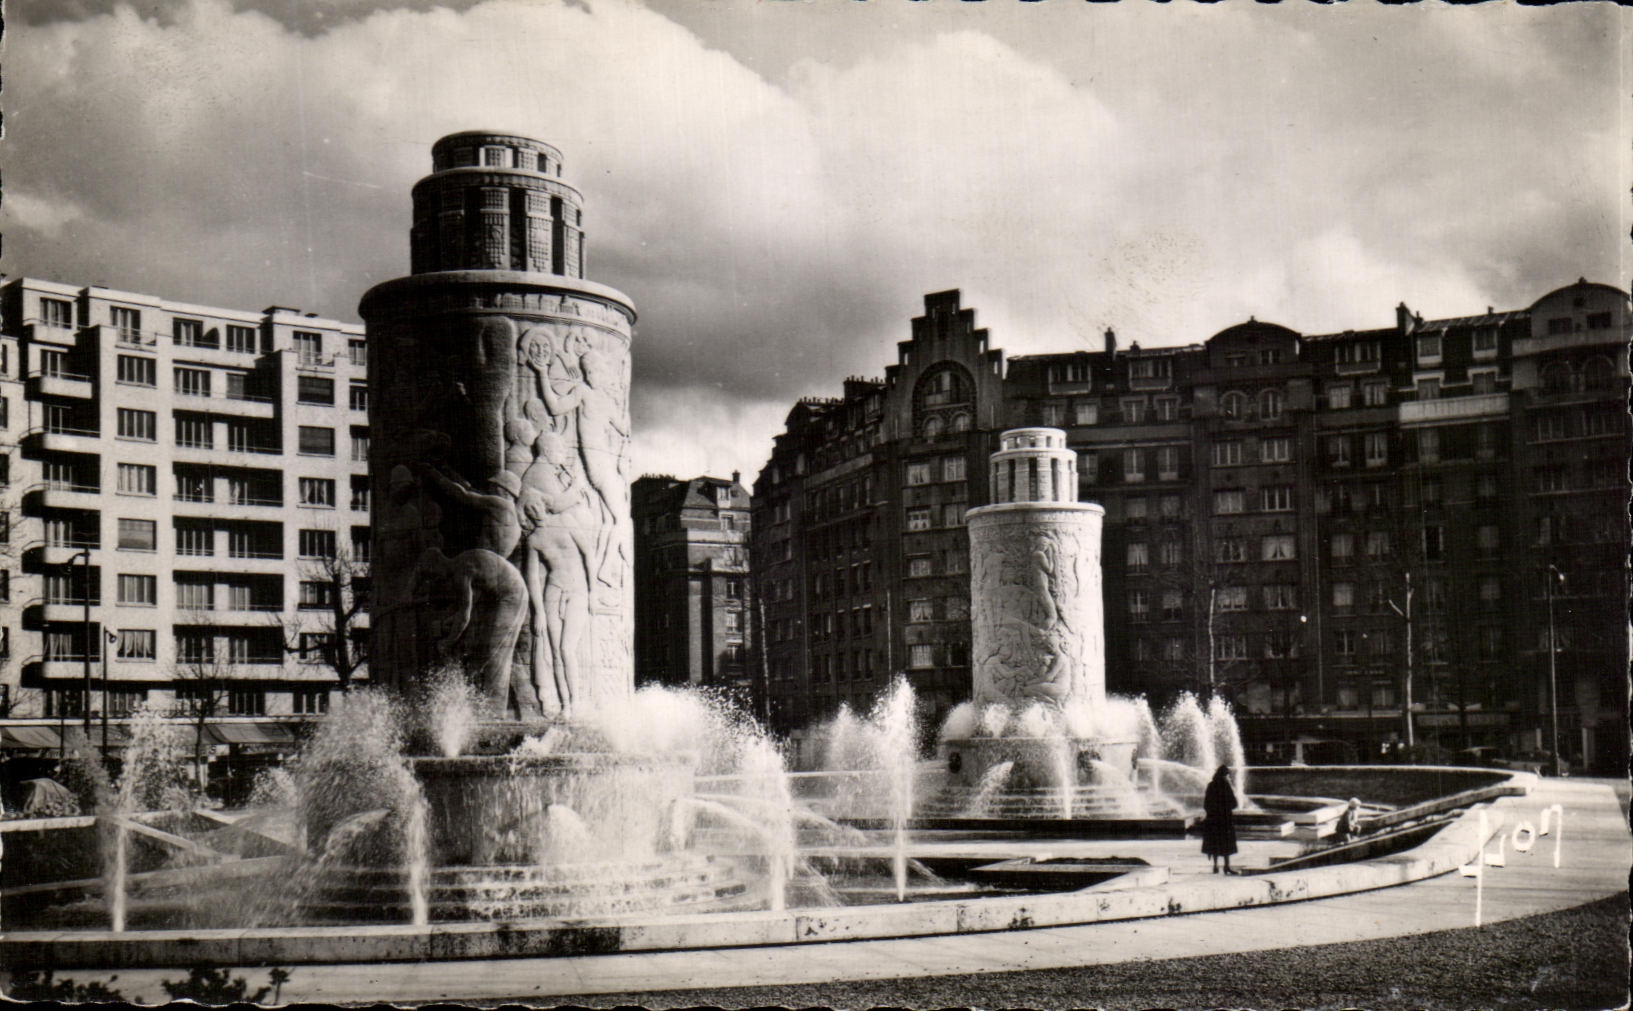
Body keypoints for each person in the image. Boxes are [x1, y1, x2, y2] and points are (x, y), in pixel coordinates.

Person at [1202, 764, 1239, 874]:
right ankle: (1226, 866)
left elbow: (1206, 804)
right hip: (1225, 819)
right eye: (1227, 775)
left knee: (1214, 841)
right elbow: (1234, 803)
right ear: (1225, 775)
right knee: (1226, 842)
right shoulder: (1226, 786)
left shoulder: (1211, 785)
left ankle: (1215, 865)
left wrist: (1211, 813)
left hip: (1213, 819)